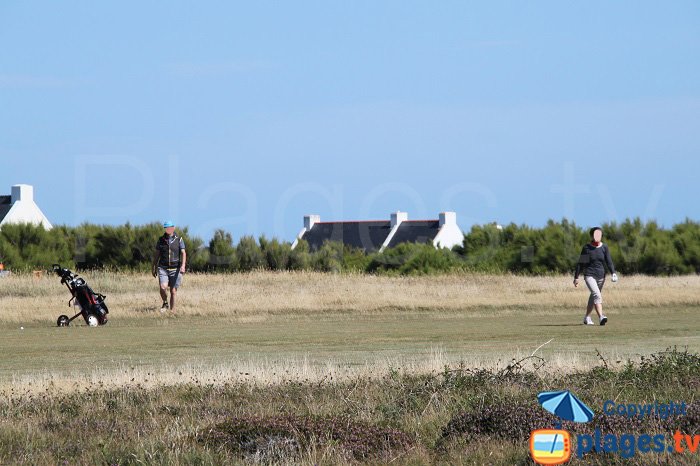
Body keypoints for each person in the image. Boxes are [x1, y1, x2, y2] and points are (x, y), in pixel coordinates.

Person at [574, 227, 618, 325]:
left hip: (601, 276)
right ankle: (601, 317)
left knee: (593, 297)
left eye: (599, 234)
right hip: (589, 275)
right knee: (597, 295)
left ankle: (587, 317)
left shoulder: (604, 247)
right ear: (592, 236)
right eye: (595, 234)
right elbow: (580, 263)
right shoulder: (587, 248)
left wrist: (613, 273)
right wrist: (576, 277)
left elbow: (609, 261)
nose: (598, 236)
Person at [152, 220, 186, 312]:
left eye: (170, 227)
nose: (168, 229)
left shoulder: (179, 239)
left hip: (176, 269)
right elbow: (157, 255)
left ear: (173, 228)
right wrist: (153, 267)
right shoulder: (161, 240)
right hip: (163, 268)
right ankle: (165, 302)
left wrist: (183, 266)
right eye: (166, 228)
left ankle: (172, 311)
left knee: (173, 291)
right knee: (163, 287)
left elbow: (183, 253)